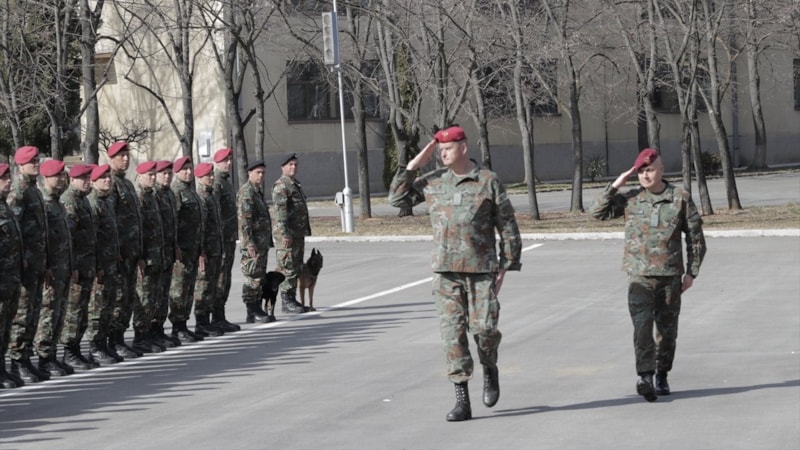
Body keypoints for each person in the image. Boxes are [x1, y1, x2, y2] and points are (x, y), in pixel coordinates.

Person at [388, 126, 522, 422]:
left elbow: (508, 224)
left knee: (485, 330)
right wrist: (414, 164)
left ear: (463, 147)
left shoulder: (488, 181)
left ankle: (490, 368)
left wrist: (506, 265)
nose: (442, 153)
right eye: (439, 150)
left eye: (447, 148)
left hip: (481, 270)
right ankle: (462, 399)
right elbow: (396, 200)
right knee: (453, 336)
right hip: (446, 272)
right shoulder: (433, 181)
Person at [590, 147, 706, 402]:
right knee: (642, 328)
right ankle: (645, 376)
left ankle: (662, 373)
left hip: (669, 277)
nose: (644, 175)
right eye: (641, 171)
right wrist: (616, 184)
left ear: (661, 170)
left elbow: (696, 238)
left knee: (666, 332)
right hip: (639, 276)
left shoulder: (680, 198)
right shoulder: (631, 199)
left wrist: (691, 273)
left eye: (650, 170)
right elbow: (596, 213)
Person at [7, 146, 51, 383]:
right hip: (23, 266)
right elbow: (14, 229)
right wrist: (20, 260)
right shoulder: (19, 190)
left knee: (33, 312)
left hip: (36, 263)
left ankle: (24, 358)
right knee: (22, 315)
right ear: (21, 165)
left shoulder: (34, 190)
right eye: (32, 161)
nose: (36, 163)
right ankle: (16, 361)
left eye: (37, 160)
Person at [35, 159, 75, 377]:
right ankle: (43, 357)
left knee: (59, 312)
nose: (61, 179)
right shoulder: (46, 204)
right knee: (48, 312)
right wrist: (47, 266)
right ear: (46, 178)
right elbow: (43, 240)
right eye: (56, 176)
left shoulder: (57, 203)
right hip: (52, 269)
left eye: (62, 175)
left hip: (63, 267)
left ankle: (51, 355)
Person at [59, 164, 98, 372]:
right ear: (72, 180)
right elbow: (69, 238)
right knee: (74, 310)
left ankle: (75, 348)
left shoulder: (83, 201)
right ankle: (68, 351)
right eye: (82, 178)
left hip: (86, 265)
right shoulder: (70, 201)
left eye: (88, 177)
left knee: (82, 310)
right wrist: (73, 265)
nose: (87, 181)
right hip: (77, 266)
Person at [107, 141, 143, 359]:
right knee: (118, 298)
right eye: (121, 156)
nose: (126, 159)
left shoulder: (128, 184)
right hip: (119, 253)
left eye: (127, 155)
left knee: (128, 297)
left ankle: (120, 337)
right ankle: (113, 340)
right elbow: (111, 220)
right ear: (111, 158)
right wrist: (117, 249)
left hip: (131, 253)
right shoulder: (110, 183)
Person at [86, 164, 122, 365]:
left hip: (110, 264)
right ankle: (94, 345)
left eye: (109, 177)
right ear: (94, 181)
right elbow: (92, 239)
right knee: (97, 307)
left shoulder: (106, 202)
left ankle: (103, 343)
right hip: (100, 265)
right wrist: (97, 264)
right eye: (103, 177)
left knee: (108, 304)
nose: (108, 180)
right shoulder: (94, 203)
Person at [169, 156, 206, 343]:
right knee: (179, 288)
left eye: (191, 169)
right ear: (177, 172)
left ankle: (183, 323)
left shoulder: (191, 192)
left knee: (189, 287)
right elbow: (173, 222)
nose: (189, 172)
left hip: (193, 249)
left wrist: (200, 248)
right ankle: (177, 326)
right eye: (185, 169)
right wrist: (175, 246)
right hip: (182, 250)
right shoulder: (176, 192)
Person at [132, 161, 166, 354]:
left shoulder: (152, 197)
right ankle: (140, 336)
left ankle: (151, 333)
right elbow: (137, 230)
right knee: (144, 298)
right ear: (140, 177)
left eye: (154, 175)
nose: (153, 178)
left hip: (157, 255)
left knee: (153, 297)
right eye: (149, 175)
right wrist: (140, 256)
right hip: (146, 257)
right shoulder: (140, 198)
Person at [272, 153, 309, 314]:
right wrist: (285, 233)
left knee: (296, 265)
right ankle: (286, 300)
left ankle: (292, 297)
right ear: (283, 167)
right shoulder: (282, 186)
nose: (293, 167)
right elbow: (281, 213)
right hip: (287, 235)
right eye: (290, 165)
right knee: (287, 266)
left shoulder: (295, 184)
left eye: (295, 164)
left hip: (297, 234)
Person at [237, 160, 273, 323]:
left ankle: (256, 307)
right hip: (252, 244)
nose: (261, 176)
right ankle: (252, 310)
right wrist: (249, 243)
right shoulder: (247, 193)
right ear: (249, 173)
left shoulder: (256, 191)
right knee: (252, 277)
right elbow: (245, 222)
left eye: (263, 173)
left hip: (261, 244)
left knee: (258, 276)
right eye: (258, 172)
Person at [193, 162, 225, 337]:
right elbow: (201, 227)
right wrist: (201, 251)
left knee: (212, 285)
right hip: (206, 250)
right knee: (203, 286)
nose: (211, 178)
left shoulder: (211, 196)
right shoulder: (202, 198)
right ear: (200, 178)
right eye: (208, 176)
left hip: (215, 249)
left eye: (212, 175)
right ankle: (201, 322)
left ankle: (210, 320)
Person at [0, 162, 25, 388]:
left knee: (6, 326)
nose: (8, 181)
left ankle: (2, 369)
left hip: (10, 280)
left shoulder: (5, 207)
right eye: (3, 178)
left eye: (9, 176)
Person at [212, 148, 240, 331]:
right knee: (219, 278)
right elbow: (215, 213)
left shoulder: (227, 183)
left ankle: (220, 315)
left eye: (230, 160)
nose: (228, 163)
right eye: (225, 160)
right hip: (221, 239)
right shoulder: (216, 183)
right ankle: (215, 316)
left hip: (229, 239)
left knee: (226, 278)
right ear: (217, 163)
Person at [153, 160, 181, 348]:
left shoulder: (170, 194)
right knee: (153, 295)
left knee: (163, 293)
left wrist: (175, 246)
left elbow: (174, 224)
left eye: (169, 173)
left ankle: (159, 330)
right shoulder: (153, 194)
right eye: (163, 173)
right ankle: (150, 332)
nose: (167, 176)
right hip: (155, 252)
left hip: (168, 252)